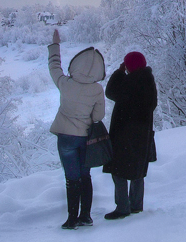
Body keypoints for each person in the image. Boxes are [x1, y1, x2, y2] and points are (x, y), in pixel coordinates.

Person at [47, 27, 105, 229]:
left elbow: (54, 67)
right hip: (86, 138)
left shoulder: (66, 83)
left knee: (71, 179)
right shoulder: (97, 89)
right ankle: (86, 216)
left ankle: (72, 219)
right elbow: (98, 116)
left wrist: (55, 46)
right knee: (85, 176)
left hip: (66, 138)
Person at [102, 50, 157, 220]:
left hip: (125, 134)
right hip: (143, 135)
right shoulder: (149, 82)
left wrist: (119, 73)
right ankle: (136, 205)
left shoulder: (130, 82)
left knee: (118, 171)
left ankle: (122, 207)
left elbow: (110, 92)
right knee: (138, 170)